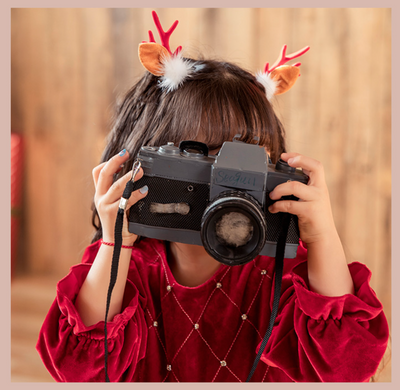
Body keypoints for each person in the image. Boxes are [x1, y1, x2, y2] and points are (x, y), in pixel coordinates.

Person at [36, 11, 389, 382]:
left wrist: (322, 237)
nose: (225, 178)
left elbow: (347, 367)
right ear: (151, 156)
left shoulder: (286, 272)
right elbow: (79, 371)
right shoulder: (131, 264)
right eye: (197, 154)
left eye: (247, 157)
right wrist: (114, 242)